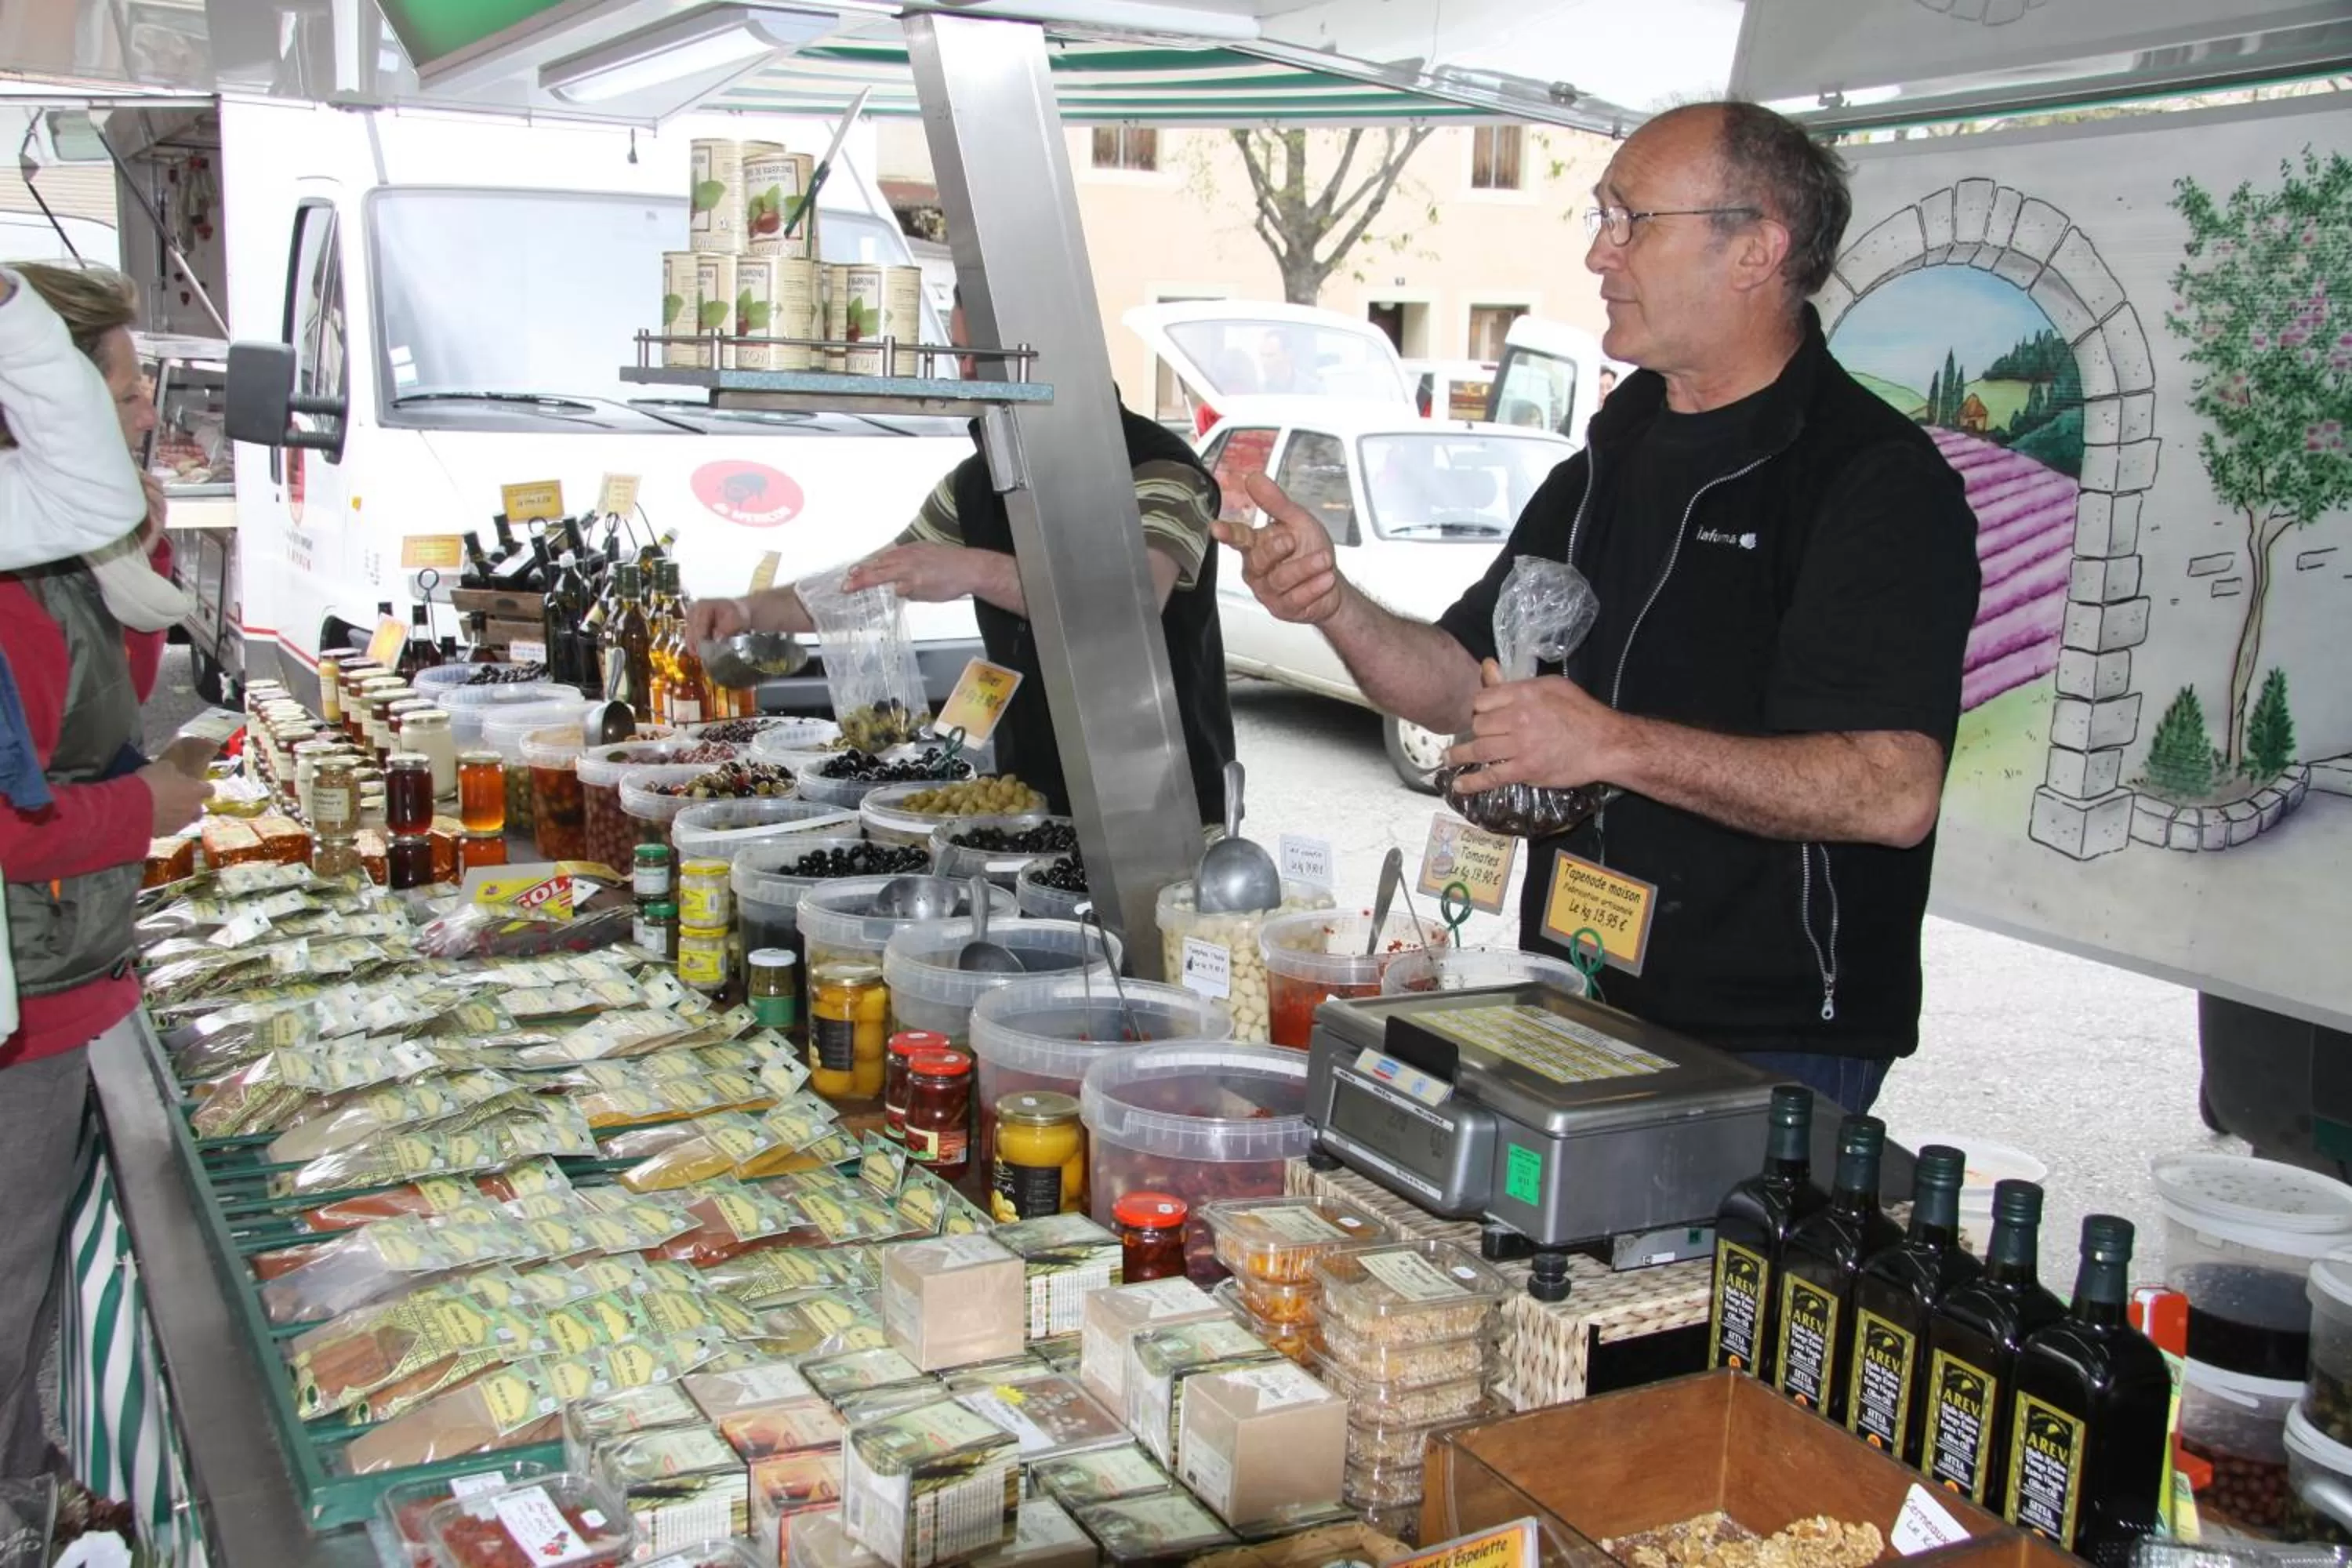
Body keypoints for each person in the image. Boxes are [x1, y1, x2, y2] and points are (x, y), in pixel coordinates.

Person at [1216, 101, 1980, 1113]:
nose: (1598, 256)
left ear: (1756, 249)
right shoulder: (1608, 461)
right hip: (1581, 983)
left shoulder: (1870, 482)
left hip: (1773, 1033)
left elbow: (1891, 792)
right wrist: (1332, 603)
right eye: (1599, 216)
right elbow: (1458, 685)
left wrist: (1612, 745)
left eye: (1632, 222)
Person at [689, 289, 1237, 824]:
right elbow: (872, 579)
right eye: (960, 354)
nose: (966, 371)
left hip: (1166, 810)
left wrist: (972, 569)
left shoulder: (1162, 473)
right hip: (1032, 803)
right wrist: (746, 611)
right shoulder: (977, 483)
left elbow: (1125, 602)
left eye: (982, 356)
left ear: (1050, 352)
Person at [0, 262, 205, 1481]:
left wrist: (138, 528)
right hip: (28, 991)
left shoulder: (66, 551)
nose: (145, 411)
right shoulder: (21, 584)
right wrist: (147, 807)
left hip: (58, 968)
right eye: (125, 388)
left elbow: (110, 688)